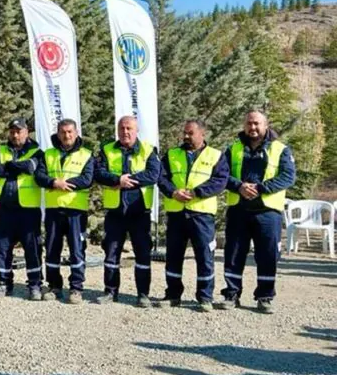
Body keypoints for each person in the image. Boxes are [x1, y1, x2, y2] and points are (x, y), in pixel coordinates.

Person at [220, 111, 295, 314]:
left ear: (266, 125)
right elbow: (221, 175)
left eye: (257, 124)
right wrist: (239, 186)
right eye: (249, 124)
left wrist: (260, 188)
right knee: (234, 254)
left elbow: (288, 176)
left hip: (268, 212)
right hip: (239, 209)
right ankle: (231, 294)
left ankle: (265, 297)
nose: (252, 128)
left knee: (268, 255)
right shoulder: (233, 148)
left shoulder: (281, 149)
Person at [156, 119, 228, 312]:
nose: (186, 136)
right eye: (185, 133)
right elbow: (161, 178)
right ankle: (172, 295)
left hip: (202, 214)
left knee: (205, 256)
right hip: (177, 213)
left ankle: (205, 297)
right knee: (173, 256)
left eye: (190, 133)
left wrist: (197, 192)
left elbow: (220, 181)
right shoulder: (172, 154)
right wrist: (173, 192)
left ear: (202, 134)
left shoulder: (216, 155)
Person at [94, 115, 161, 307]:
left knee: (142, 254)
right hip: (115, 212)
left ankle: (143, 294)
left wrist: (126, 181)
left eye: (129, 128)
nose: (125, 132)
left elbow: (153, 174)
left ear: (136, 130)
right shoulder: (107, 149)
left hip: (139, 211)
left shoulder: (148, 150)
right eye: (122, 128)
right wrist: (116, 180)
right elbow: (98, 173)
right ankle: (110, 291)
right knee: (111, 253)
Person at [34, 118, 93, 304]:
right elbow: (39, 176)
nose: (66, 135)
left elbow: (88, 179)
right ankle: (54, 286)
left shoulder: (86, 155)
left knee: (77, 250)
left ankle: (76, 288)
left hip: (76, 211)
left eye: (70, 132)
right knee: (52, 249)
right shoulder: (48, 154)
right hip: (54, 210)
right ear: (58, 134)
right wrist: (53, 182)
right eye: (63, 132)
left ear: (76, 133)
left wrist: (65, 184)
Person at [0, 118, 44, 300]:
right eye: (12, 131)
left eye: (19, 131)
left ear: (26, 132)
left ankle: (35, 285)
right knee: (3, 248)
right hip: (6, 208)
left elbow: (30, 168)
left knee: (32, 248)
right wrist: (14, 168)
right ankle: (4, 283)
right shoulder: (1, 150)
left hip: (28, 209)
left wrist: (10, 166)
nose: (15, 134)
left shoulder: (37, 151)